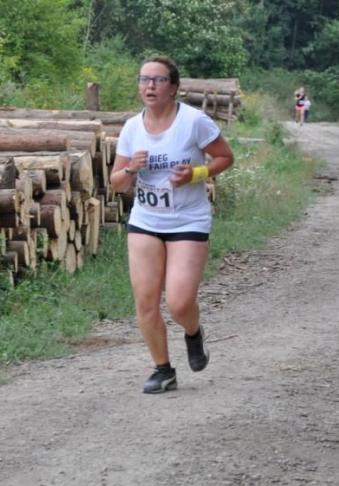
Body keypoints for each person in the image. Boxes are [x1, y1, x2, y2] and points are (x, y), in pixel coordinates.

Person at [111, 55, 235, 394]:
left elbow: (226, 157)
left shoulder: (194, 122)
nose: (150, 85)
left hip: (187, 220)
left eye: (158, 80)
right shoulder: (131, 128)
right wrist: (131, 169)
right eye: (144, 79)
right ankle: (163, 370)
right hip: (146, 220)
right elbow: (116, 183)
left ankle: (193, 333)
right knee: (146, 302)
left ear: (174, 88)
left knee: (179, 303)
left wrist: (196, 173)